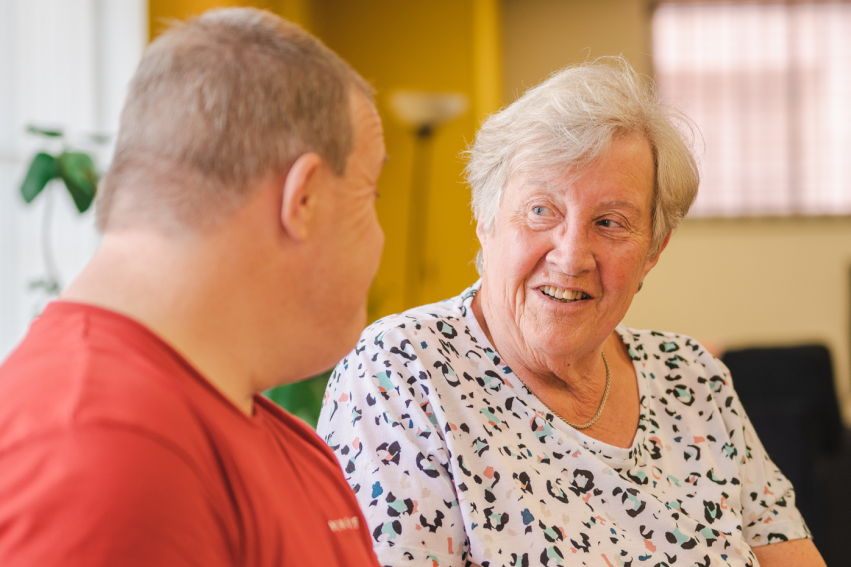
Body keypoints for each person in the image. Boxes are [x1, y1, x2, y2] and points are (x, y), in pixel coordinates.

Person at [317, 60, 826, 566]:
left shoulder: (693, 378)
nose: (571, 256)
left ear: (654, 250)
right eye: (542, 210)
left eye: (610, 222)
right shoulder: (400, 372)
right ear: (485, 220)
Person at [0, 8, 385, 567]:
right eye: (370, 193)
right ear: (304, 199)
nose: (379, 237)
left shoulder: (261, 434)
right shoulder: (110, 453)